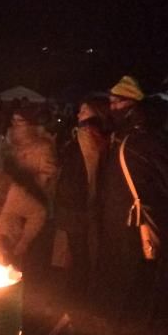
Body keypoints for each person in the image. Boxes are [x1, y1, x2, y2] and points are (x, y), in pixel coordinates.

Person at [96, 75, 168, 323]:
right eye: (110, 102)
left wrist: (151, 204)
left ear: (132, 103)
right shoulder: (122, 135)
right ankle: (120, 316)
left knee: (135, 269)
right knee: (122, 269)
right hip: (118, 216)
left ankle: (131, 320)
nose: (111, 107)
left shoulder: (145, 138)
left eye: (116, 102)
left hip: (133, 218)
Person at [53, 96, 111, 294]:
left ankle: (77, 292)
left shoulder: (87, 135)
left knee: (78, 251)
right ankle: (80, 288)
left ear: (97, 112)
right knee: (80, 249)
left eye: (84, 111)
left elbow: (85, 170)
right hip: (79, 202)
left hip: (76, 204)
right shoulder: (95, 135)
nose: (79, 114)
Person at [0, 106, 59, 204]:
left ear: (29, 123)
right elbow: (4, 168)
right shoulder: (8, 143)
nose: (15, 123)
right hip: (10, 197)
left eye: (19, 120)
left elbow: (48, 173)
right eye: (13, 119)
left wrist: (30, 188)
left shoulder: (42, 146)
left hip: (34, 198)